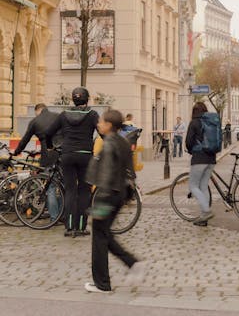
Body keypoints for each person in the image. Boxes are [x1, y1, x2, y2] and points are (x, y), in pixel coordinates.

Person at [84, 109, 143, 293]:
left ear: (109, 125)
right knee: (104, 234)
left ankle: (102, 283)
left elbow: (107, 173)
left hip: (108, 193)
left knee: (99, 238)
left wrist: (100, 200)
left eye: (101, 121)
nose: (98, 124)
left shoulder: (109, 143)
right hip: (119, 193)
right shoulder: (123, 141)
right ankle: (132, 263)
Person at [46, 86, 99, 237]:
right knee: (84, 191)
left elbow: (48, 132)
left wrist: (50, 147)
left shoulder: (64, 115)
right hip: (85, 155)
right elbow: (103, 132)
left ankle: (69, 228)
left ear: (73, 99)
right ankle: (81, 227)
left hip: (67, 154)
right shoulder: (92, 114)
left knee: (70, 190)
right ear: (87, 99)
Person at [13, 102, 63, 222]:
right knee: (63, 185)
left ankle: (54, 217)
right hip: (62, 152)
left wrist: (16, 152)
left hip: (48, 155)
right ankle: (64, 215)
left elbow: (25, 139)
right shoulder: (58, 116)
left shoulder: (35, 121)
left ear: (37, 111)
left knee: (50, 187)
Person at [185, 101, 216, 227]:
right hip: (211, 158)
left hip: (199, 158)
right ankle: (204, 218)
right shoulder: (210, 122)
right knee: (203, 186)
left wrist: (190, 149)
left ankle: (206, 211)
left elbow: (188, 141)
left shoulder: (194, 122)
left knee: (193, 186)